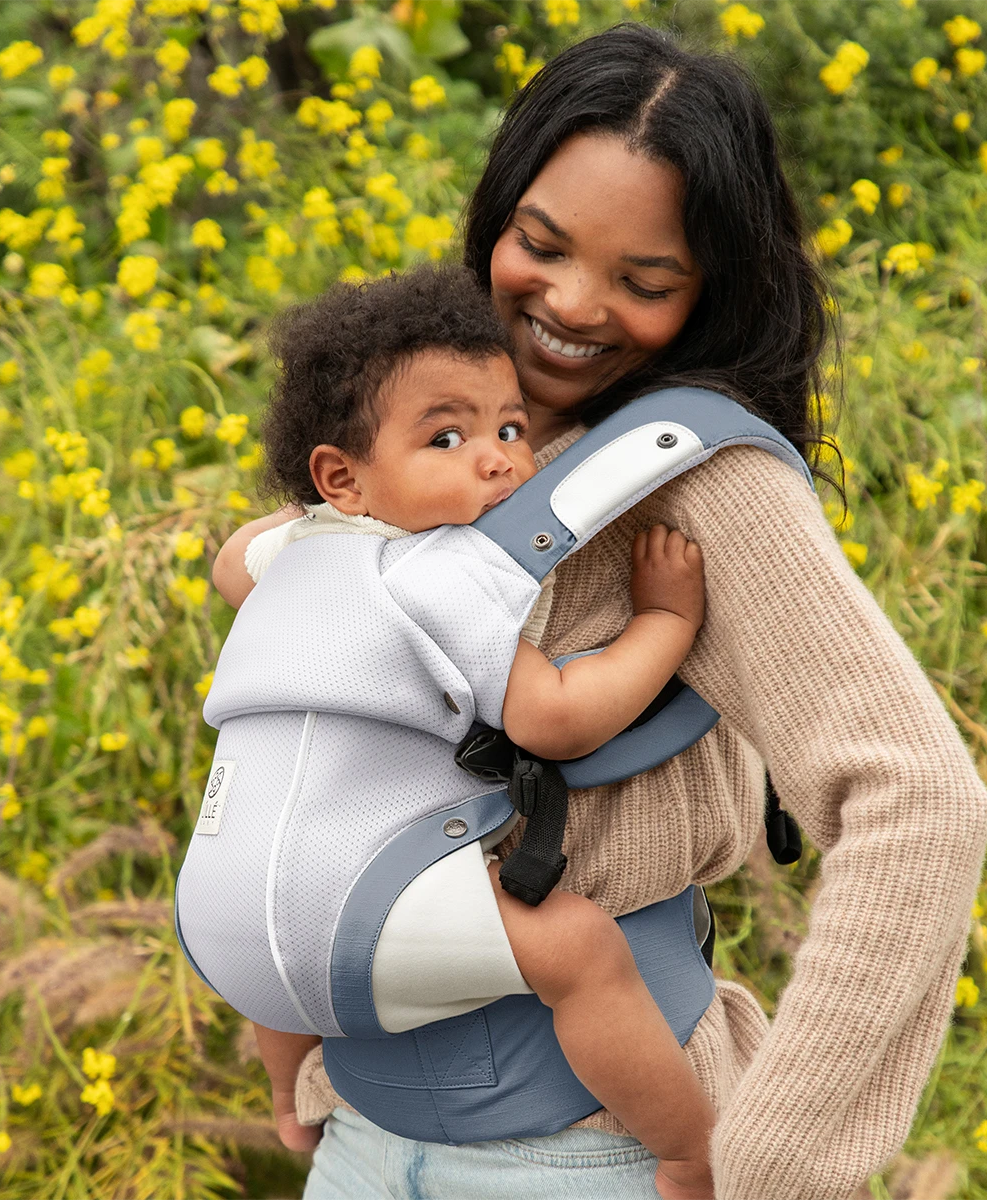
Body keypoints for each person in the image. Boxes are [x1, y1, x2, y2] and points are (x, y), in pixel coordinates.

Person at [213, 23, 987, 1200]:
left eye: (645, 281)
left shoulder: (700, 482)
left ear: (711, 293)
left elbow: (923, 803)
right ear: (497, 216)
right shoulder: (437, 432)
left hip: (588, 1156)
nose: (570, 305)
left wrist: (773, 1166)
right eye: (540, 245)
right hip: (366, 1143)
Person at [223, 263, 717, 1200]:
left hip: (226, 897)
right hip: (356, 907)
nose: (498, 460)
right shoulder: (444, 570)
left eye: (510, 428)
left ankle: (291, 1097)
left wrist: (341, 503)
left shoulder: (297, 550)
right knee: (577, 949)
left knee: (275, 941)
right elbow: (557, 718)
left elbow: (226, 564)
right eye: (446, 437)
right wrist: (666, 624)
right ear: (344, 473)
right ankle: (688, 1145)